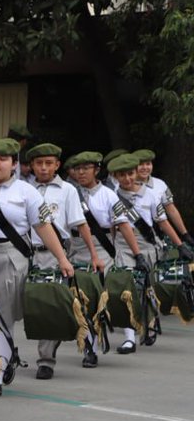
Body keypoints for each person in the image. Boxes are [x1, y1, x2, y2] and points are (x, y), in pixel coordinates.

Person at [0, 138, 74, 398]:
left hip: (9, 256)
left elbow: (43, 227)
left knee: (2, 317)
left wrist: (63, 259)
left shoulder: (26, 192)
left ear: (14, 164)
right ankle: (6, 353)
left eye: (2, 158)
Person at [24, 144, 101, 379]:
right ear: (32, 166)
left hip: (53, 255)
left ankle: (46, 360)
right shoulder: (24, 189)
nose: (44, 167)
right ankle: (5, 355)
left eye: (49, 163)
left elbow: (80, 223)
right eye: (39, 163)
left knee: (49, 306)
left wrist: (94, 254)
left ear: (57, 165)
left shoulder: (68, 190)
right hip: (25, 252)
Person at [109, 153, 191, 352]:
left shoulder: (151, 195)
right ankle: (129, 337)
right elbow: (111, 227)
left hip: (148, 245)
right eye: (122, 175)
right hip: (123, 247)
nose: (127, 179)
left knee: (147, 288)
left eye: (130, 174)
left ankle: (151, 323)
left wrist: (180, 244)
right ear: (115, 176)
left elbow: (162, 222)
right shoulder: (111, 196)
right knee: (128, 288)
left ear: (136, 172)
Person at [66, 151, 138, 366]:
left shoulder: (108, 194)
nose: (81, 173)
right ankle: (89, 346)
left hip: (102, 246)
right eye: (77, 169)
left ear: (96, 170)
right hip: (75, 246)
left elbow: (123, 224)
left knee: (105, 295)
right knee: (81, 298)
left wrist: (137, 254)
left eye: (86, 168)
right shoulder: (70, 192)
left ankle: (122, 338)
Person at [134, 149, 194, 248]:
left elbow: (171, 209)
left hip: (160, 234)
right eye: (141, 164)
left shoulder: (160, 184)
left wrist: (184, 233)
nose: (145, 168)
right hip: (138, 236)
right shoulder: (126, 187)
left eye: (148, 164)